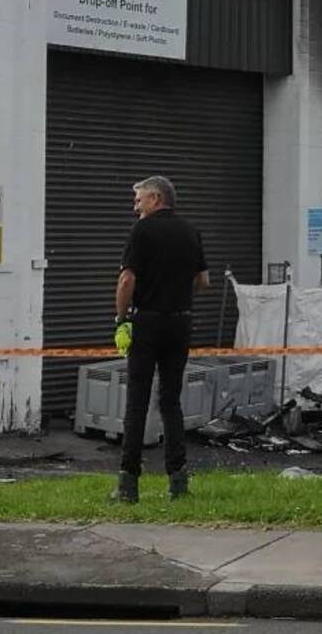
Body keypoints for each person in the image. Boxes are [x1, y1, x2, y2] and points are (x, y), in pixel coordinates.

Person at [110, 175, 208, 504]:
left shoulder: (142, 230)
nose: (135, 206)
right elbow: (203, 280)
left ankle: (128, 484)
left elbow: (126, 279)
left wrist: (121, 318)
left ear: (155, 198)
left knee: (137, 401)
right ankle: (178, 481)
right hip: (180, 322)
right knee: (171, 401)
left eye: (139, 200)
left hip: (146, 321)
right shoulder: (191, 231)